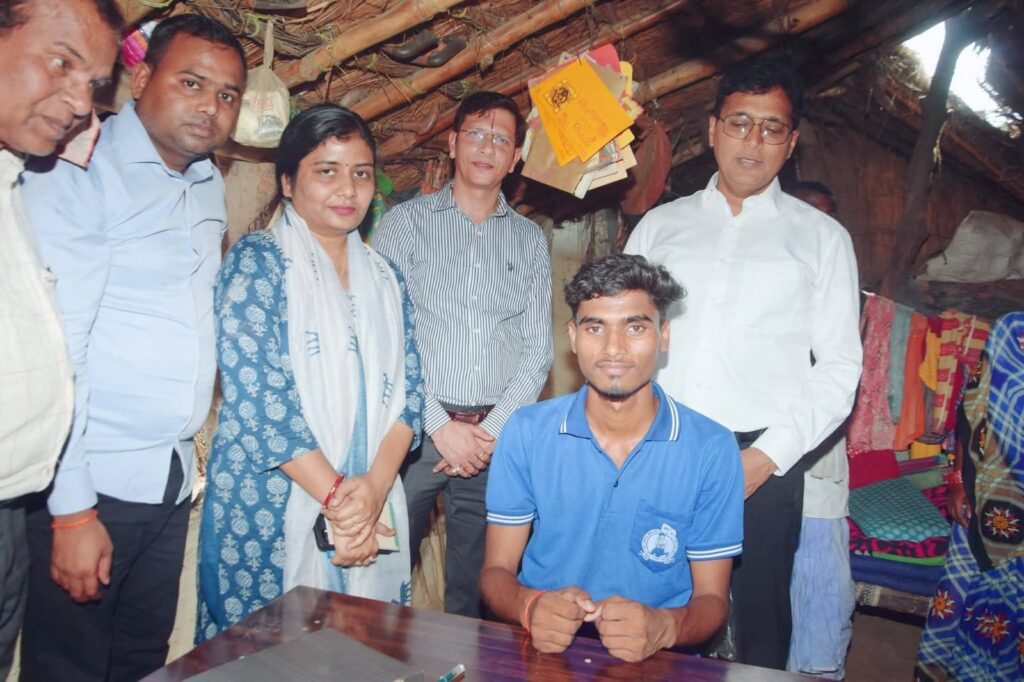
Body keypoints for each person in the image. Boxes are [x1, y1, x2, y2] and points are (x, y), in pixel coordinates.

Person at [18, 14, 245, 680]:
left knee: (144, 661)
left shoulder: (208, 183)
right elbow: (60, 351)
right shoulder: (78, 170)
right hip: (93, 484)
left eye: (227, 94)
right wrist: (72, 511)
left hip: (168, 482)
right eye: (191, 83)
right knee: (70, 667)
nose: (209, 106)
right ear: (141, 79)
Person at [625, 58, 862, 670]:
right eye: (739, 122)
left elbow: (840, 367)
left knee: (757, 627)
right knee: (647, 609)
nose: (753, 140)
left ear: (792, 141)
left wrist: (765, 458)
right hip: (659, 449)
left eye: (771, 127)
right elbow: (623, 340)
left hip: (763, 461)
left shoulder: (821, 239)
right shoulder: (659, 227)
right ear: (713, 130)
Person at [196, 104, 424, 640]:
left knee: (364, 650)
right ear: (288, 182)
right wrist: (345, 506)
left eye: (361, 173)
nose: (347, 188)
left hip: (371, 494)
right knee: (264, 655)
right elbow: (262, 405)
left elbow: (411, 395)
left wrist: (374, 490)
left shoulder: (386, 278)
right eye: (327, 171)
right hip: (273, 502)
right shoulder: (258, 263)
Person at [481, 253, 743, 662]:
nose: (614, 349)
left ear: (664, 335)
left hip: (659, 658)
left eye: (635, 327)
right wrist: (528, 606)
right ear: (573, 336)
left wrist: (664, 626)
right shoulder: (527, 431)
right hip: (543, 648)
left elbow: (712, 601)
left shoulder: (711, 448)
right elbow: (495, 572)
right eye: (595, 327)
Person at [374, 91, 553, 618]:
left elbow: (537, 349)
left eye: (500, 139)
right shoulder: (405, 224)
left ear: (515, 156)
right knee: (382, 570)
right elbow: (385, 335)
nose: (486, 147)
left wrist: (489, 432)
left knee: (478, 588)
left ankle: (465, 661)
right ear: (453, 143)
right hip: (410, 432)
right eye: (475, 133)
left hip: (493, 442)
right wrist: (438, 425)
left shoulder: (528, 240)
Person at [0, 0, 120, 676]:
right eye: (61, 62)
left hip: (13, 511)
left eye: (93, 84)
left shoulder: (12, 182)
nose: (79, 102)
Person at [916, 311, 1023, 682]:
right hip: (981, 505)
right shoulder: (1012, 334)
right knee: (961, 604)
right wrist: (958, 479)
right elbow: (970, 412)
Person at [784, 180, 855, 679]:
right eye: (811, 213)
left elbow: (838, 371)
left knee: (816, 562)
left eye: (828, 215)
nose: (820, 224)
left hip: (817, 457)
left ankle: (812, 666)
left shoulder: (837, 277)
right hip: (758, 445)